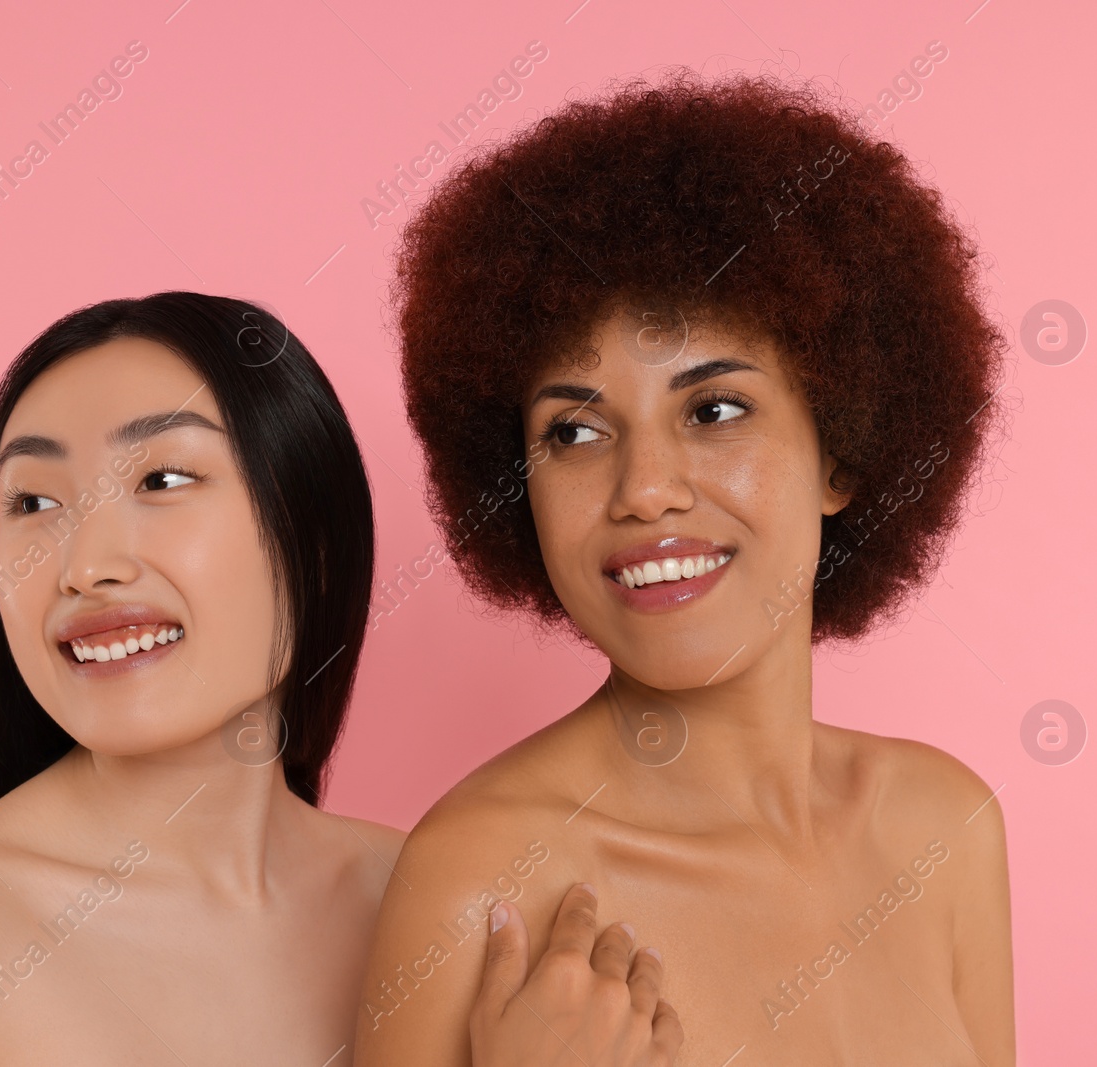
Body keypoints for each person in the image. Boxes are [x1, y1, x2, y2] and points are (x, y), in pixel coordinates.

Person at [0, 292, 678, 1066]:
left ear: (312, 542)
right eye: (32, 502)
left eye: (160, 479)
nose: (86, 564)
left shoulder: (448, 902)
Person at [357, 70, 1015, 1066]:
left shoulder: (944, 830)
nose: (645, 489)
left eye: (712, 411)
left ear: (838, 450)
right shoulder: (477, 885)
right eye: (575, 431)